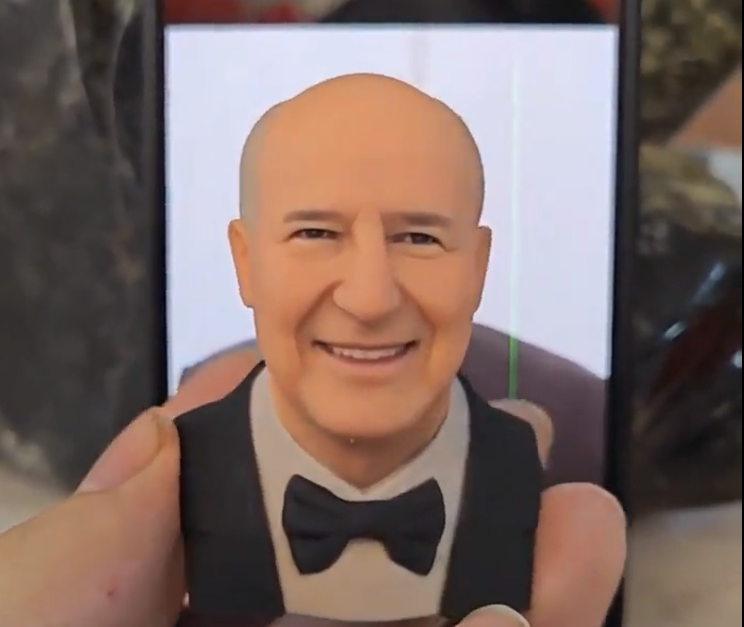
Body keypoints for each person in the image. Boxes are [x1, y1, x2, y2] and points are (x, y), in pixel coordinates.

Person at [0, 74, 626, 627]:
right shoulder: (189, 474)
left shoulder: (514, 467)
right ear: (246, 263)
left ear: (478, 268)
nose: (370, 298)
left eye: (418, 238)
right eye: (316, 233)